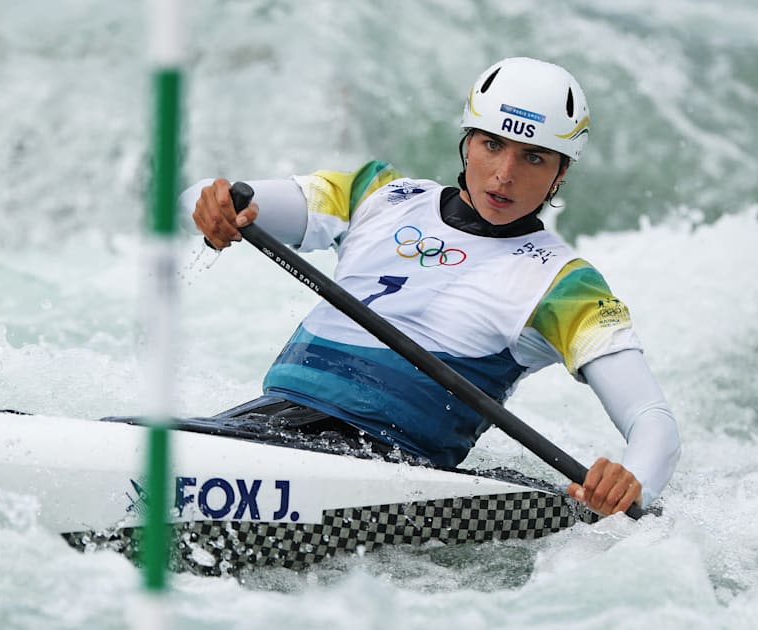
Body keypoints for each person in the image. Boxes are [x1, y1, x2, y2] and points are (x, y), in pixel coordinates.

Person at [181, 57, 680, 517]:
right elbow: (205, 197)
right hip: (266, 425)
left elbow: (651, 418)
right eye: (492, 145)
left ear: (561, 173)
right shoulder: (375, 194)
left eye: (533, 159)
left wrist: (633, 481)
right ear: (467, 141)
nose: (504, 175)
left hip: (389, 474)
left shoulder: (565, 284)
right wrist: (215, 210)